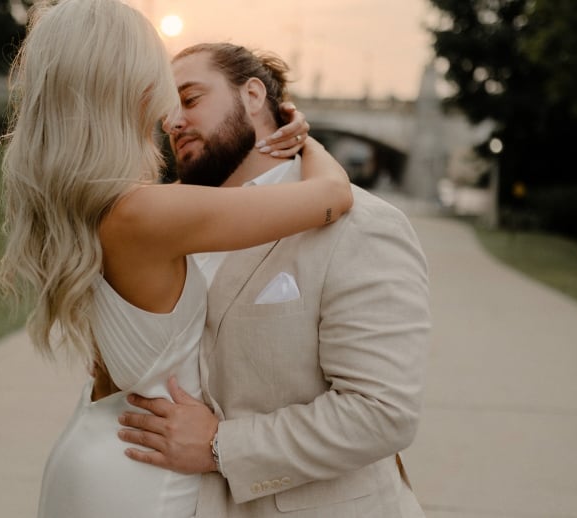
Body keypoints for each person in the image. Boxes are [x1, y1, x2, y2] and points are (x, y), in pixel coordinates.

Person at [0, 1, 352, 518]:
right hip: (141, 477)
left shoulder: (93, 202)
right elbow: (333, 197)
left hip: (97, 451)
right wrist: (300, 134)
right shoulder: (150, 212)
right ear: (131, 87)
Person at [111, 43, 431, 517]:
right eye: (165, 111)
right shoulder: (166, 220)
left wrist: (221, 445)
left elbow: (381, 412)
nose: (173, 121)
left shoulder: (363, 225)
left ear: (254, 95)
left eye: (191, 99)